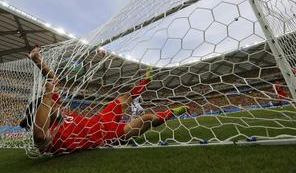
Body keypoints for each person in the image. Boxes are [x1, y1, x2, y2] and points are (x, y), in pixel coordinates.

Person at [20, 46, 189, 155]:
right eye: (52, 107)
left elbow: (53, 80)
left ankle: (146, 81)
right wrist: (47, 97)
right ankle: (170, 113)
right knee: (148, 118)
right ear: (42, 116)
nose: (57, 106)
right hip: (108, 136)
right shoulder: (48, 138)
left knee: (124, 98)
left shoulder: (56, 114)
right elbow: (39, 135)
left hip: (100, 119)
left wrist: (38, 60)